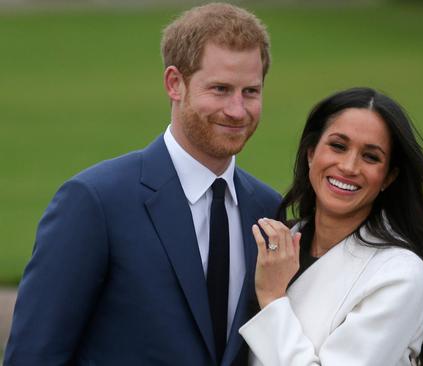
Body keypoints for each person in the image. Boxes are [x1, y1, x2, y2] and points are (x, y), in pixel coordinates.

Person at [4, 3, 278, 366]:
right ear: (174, 84)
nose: (237, 110)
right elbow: (33, 356)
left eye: (251, 92)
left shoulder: (267, 209)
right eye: (220, 89)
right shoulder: (96, 202)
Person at [239, 87, 423, 366]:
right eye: (338, 146)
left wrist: (273, 300)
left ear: (388, 177)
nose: (349, 166)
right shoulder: (280, 246)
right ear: (311, 153)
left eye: (371, 157)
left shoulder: (400, 274)